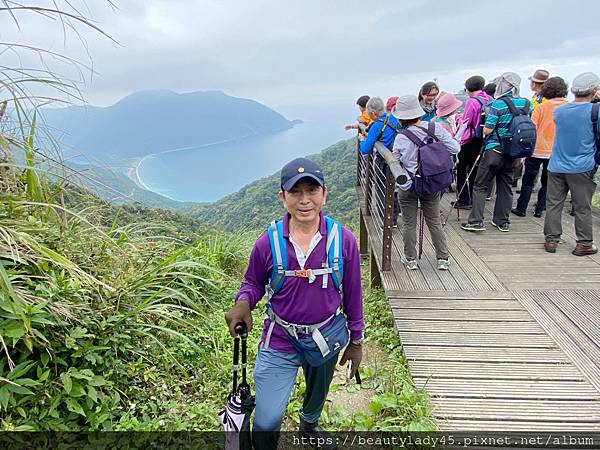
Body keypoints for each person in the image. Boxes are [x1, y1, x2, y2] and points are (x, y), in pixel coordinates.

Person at [225, 158, 364, 449]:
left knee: (318, 390)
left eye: (312, 191)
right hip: (280, 338)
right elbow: (252, 282)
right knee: (266, 419)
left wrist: (357, 340)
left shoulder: (343, 241)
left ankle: (309, 423)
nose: (304, 200)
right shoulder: (269, 242)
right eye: (295, 192)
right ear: (282, 197)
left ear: (324, 194)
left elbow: (353, 293)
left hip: (325, 335)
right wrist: (243, 303)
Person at [391, 95, 460, 271]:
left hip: (409, 185)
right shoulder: (434, 128)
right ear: (418, 113)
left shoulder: (401, 138)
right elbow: (455, 148)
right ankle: (443, 258)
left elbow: (396, 161)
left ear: (400, 117)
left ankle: (410, 259)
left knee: (408, 223)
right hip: (432, 182)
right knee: (434, 221)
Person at [461, 72, 529, 233]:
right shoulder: (526, 104)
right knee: (505, 186)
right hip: (514, 152)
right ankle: (502, 221)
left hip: (494, 149)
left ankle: (476, 221)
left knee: (480, 185)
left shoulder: (498, 104)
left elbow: (488, 130)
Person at [544, 72, 600, 255]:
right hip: (582, 166)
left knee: (553, 203)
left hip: (556, 164)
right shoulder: (595, 111)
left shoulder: (559, 111)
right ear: (594, 90)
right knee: (582, 206)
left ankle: (551, 240)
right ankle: (583, 243)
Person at [512, 77, 568, 218]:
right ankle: (539, 209)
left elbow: (532, 128)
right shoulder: (569, 107)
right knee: (547, 181)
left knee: (528, 179)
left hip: (537, 149)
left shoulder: (541, 107)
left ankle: (521, 208)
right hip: (557, 150)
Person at [359, 97, 401, 226]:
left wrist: (362, 140)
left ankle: (387, 219)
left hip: (383, 162)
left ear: (372, 113)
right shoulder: (395, 119)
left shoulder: (377, 125)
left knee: (382, 189)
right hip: (398, 160)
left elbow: (365, 149)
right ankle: (394, 214)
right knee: (393, 188)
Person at [453, 76, 493, 209]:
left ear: (468, 88)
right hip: (482, 140)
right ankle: (473, 198)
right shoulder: (489, 99)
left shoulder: (472, 101)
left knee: (461, 169)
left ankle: (464, 199)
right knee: (474, 171)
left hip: (469, 140)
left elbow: (466, 121)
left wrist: (458, 117)